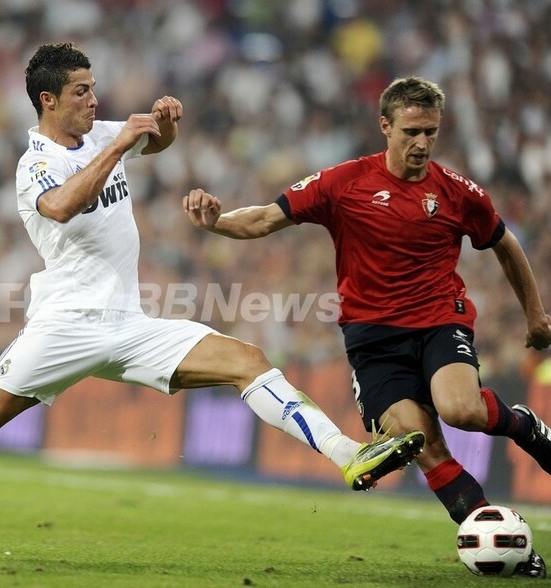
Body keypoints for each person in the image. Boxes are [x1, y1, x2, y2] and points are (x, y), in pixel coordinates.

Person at [0, 43, 424, 549]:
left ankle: (348, 455)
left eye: (94, 88)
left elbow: (155, 141)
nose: (94, 100)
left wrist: (165, 125)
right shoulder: (36, 163)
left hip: (128, 322)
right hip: (64, 325)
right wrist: (119, 142)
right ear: (48, 100)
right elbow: (61, 206)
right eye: (81, 91)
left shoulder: (103, 134)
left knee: (248, 360)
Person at [183, 76, 551, 578]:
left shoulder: (458, 192)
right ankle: (503, 544)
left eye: (430, 132)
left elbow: (505, 243)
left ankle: (524, 426)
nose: (421, 143)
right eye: (411, 131)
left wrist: (534, 314)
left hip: (439, 321)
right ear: (385, 126)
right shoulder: (344, 182)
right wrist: (217, 222)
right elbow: (266, 219)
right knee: (421, 442)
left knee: (461, 409)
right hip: (372, 341)